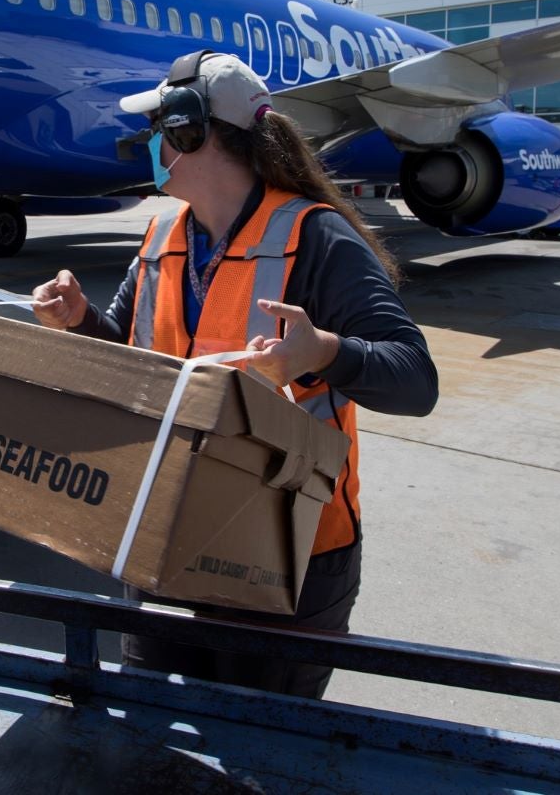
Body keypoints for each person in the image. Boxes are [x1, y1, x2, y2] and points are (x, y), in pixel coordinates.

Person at [32, 50, 439, 699]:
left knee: (261, 747)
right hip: (166, 535)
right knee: (152, 730)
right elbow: (131, 356)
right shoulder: (162, 241)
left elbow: (416, 379)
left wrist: (324, 353)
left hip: (290, 558)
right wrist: (81, 321)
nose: (150, 145)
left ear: (193, 133)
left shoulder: (318, 239)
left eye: (161, 130)